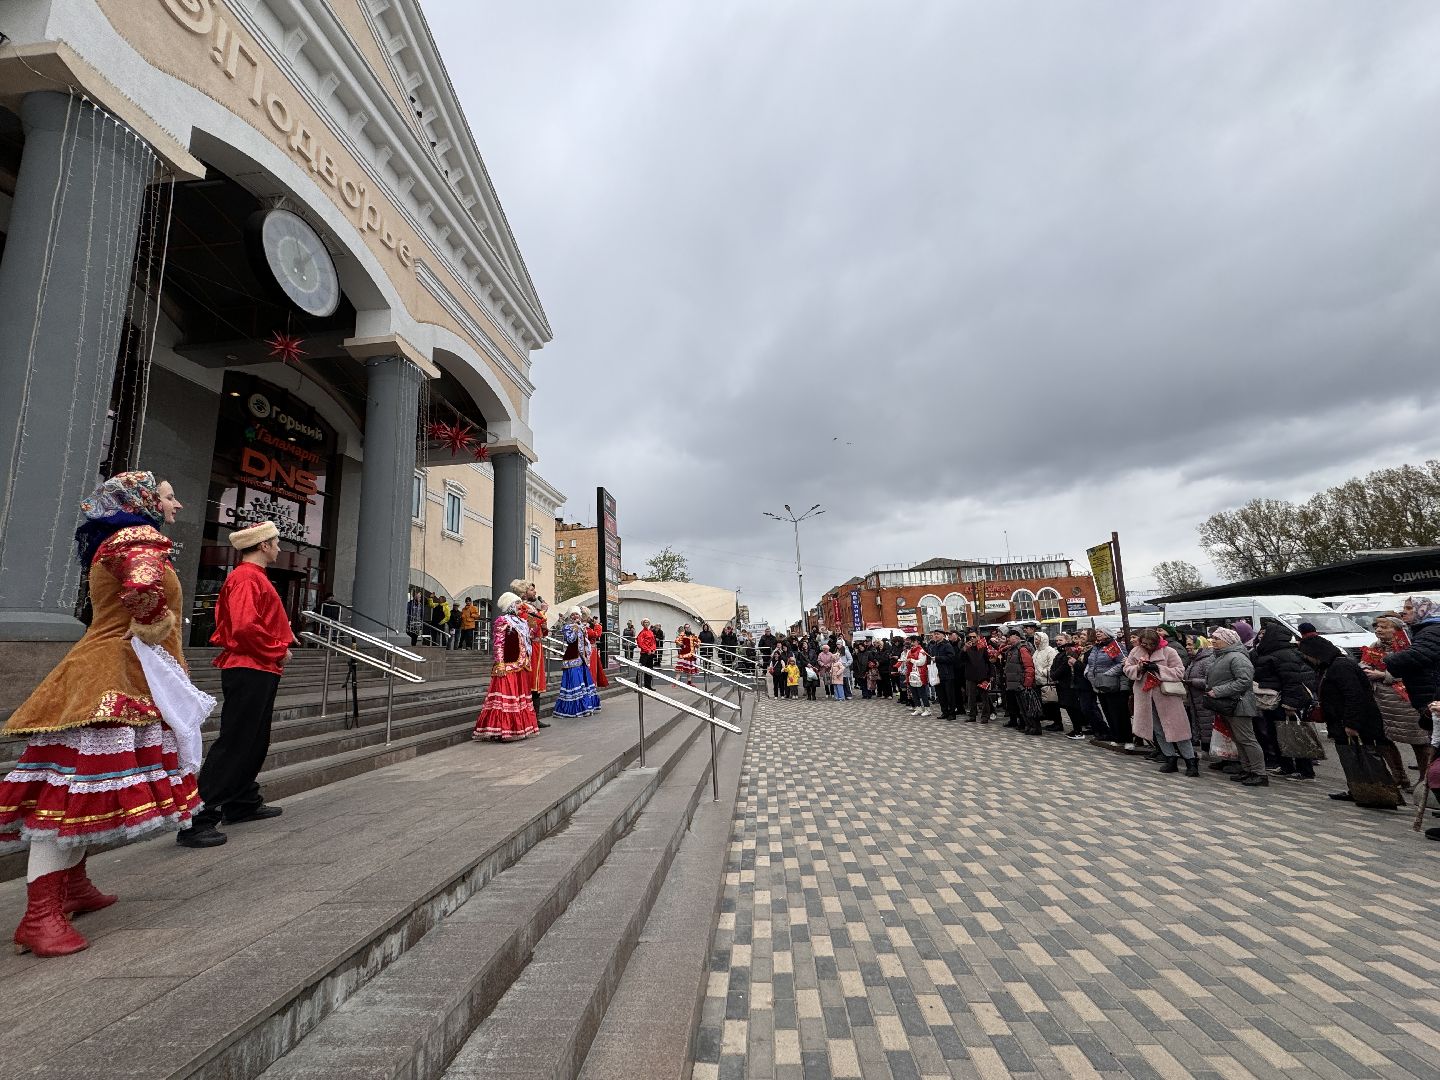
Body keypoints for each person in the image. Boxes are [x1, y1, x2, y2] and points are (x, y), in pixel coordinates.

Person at [0, 472, 201, 956]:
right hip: (111, 679)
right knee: (68, 795)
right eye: (169, 497)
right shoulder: (137, 537)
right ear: (144, 502)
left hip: (112, 675)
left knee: (82, 791)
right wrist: (155, 622)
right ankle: (39, 915)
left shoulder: (114, 538)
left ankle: (72, 887)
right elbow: (143, 584)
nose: (175, 505)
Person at [178, 519, 294, 849]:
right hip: (250, 667)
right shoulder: (246, 578)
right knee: (238, 741)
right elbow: (244, 628)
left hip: (258, 667)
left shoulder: (250, 578)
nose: (278, 547)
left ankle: (241, 801)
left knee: (253, 739)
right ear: (263, 546)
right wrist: (278, 650)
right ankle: (197, 818)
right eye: (275, 542)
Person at [1362, 614, 1431, 791]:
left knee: (1418, 740)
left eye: (1384, 627)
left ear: (1397, 629)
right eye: (1377, 626)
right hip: (1382, 699)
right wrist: (1365, 668)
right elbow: (1364, 663)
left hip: (1405, 700)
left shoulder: (1408, 646)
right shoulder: (1375, 646)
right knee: (1384, 738)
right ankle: (1398, 776)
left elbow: (1415, 670)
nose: (1378, 629)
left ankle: (1425, 780)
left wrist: (1383, 675)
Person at [1123, 628, 1198, 775]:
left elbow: (1179, 672)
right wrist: (1138, 668)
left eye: (1151, 644)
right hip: (1145, 696)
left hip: (1167, 696)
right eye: (1144, 644)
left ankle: (1191, 761)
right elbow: (1127, 669)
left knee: (1178, 729)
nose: (1148, 647)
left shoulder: (1169, 652)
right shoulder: (1135, 652)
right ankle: (1170, 758)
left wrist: (1158, 668)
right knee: (1157, 729)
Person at [1252, 623, 1318, 780]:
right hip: (1272, 701)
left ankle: (1305, 770)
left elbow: (1293, 681)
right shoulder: (1269, 652)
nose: (1261, 636)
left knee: (1295, 735)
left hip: (1285, 702)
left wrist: (1291, 704)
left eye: (1264, 634)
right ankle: (1285, 766)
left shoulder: (1285, 655)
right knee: (1276, 734)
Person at [473, 592, 539, 741]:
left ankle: (518, 728)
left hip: (521, 664)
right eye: (516, 604)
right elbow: (498, 643)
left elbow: (529, 638)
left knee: (519, 698)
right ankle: (502, 730)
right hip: (508, 665)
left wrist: (534, 624)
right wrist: (500, 663)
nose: (519, 606)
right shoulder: (503, 621)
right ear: (510, 605)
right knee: (505, 700)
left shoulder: (521, 621)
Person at [1205, 628, 1265, 785]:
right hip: (1228, 704)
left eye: (1217, 638)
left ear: (1228, 640)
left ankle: (1259, 773)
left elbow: (1244, 681)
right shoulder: (1222, 656)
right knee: (1238, 739)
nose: (1213, 641)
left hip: (1240, 704)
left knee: (1247, 739)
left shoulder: (1238, 657)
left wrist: (1218, 691)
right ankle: (1247, 769)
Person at [511, 580, 550, 727]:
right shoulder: (523, 607)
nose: (535, 592)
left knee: (536, 683)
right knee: (531, 683)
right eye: (532, 590)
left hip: (537, 647)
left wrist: (543, 624)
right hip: (530, 648)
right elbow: (531, 627)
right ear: (524, 592)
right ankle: (530, 718)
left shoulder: (532, 607)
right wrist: (543, 613)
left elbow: (540, 629)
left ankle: (535, 717)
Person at [555, 608, 603, 717]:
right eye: (573, 614)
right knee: (575, 683)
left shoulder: (582, 627)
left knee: (584, 684)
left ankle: (586, 706)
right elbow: (570, 640)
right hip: (572, 659)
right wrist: (576, 628)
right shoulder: (567, 627)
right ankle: (575, 708)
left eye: (577, 614)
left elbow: (585, 642)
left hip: (582, 659)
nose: (575, 616)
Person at [1085, 628, 1129, 746]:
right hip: (1098, 683)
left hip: (1112, 683)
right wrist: (1088, 673)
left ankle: (1125, 738)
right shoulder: (1096, 647)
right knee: (1107, 711)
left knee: (1117, 711)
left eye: (1101, 631)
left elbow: (1122, 662)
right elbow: (1091, 663)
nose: (1098, 633)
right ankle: (1115, 736)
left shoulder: (1113, 646)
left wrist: (1108, 674)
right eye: (1097, 631)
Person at [1000, 628, 1035, 731]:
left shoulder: (1022, 648)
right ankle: (1016, 721)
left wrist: (1027, 682)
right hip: (1011, 682)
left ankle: (1025, 724)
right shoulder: (1012, 648)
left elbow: (1028, 666)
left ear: (1016, 636)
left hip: (1020, 682)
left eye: (1009, 637)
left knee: (1022, 705)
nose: (1007, 639)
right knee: (1014, 704)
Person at [1031, 631, 1061, 732]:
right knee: (1044, 703)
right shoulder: (1036, 651)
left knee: (1052, 703)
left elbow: (1052, 666)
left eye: (1038, 639)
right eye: (1035, 639)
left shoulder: (1050, 651)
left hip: (1047, 681)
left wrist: (1041, 671)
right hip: (1038, 681)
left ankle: (1058, 723)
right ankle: (1051, 721)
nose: (1036, 641)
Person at [962, 630, 993, 723]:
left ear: (978, 637)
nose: (972, 639)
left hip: (983, 676)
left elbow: (989, 662)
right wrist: (964, 650)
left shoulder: (983, 647)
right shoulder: (966, 648)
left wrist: (990, 675)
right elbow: (960, 659)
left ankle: (985, 716)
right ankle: (972, 715)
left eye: (974, 637)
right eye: (970, 637)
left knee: (984, 697)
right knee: (971, 697)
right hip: (970, 676)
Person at [932, 630, 961, 720]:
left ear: (943, 636)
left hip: (947, 673)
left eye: (938, 634)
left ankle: (952, 713)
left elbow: (951, 658)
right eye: (935, 634)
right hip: (937, 674)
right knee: (941, 695)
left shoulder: (947, 645)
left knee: (950, 695)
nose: (936, 636)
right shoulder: (934, 646)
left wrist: (937, 658)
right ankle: (944, 712)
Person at [902, 636, 933, 717]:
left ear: (918, 642)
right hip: (911, 673)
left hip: (920, 673)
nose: (912, 643)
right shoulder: (910, 651)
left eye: (914, 641)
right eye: (911, 641)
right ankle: (918, 708)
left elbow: (921, 662)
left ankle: (927, 709)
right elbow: (906, 659)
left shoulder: (921, 651)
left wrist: (911, 660)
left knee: (922, 692)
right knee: (914, 692)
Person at [585, 613, 610, 688]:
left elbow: (596, 634)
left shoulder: (593, 626)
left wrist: (596, 626)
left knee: (591, 666)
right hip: (582, 649)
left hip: (590, 648)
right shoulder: (581, 626)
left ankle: (591, 682)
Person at [636, 619, 657, 689]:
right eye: (645, 622)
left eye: (647, 622)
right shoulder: (642, 632)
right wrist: (647, 650)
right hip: (644, 653)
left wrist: (653, 649)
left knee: (649, 669)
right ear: (642, 624)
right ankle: (637, 686)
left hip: (650, 653)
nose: (646, 623)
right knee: (640, 669)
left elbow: (653, 642)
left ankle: (648, 685)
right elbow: (640, 643)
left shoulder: (650, 632)